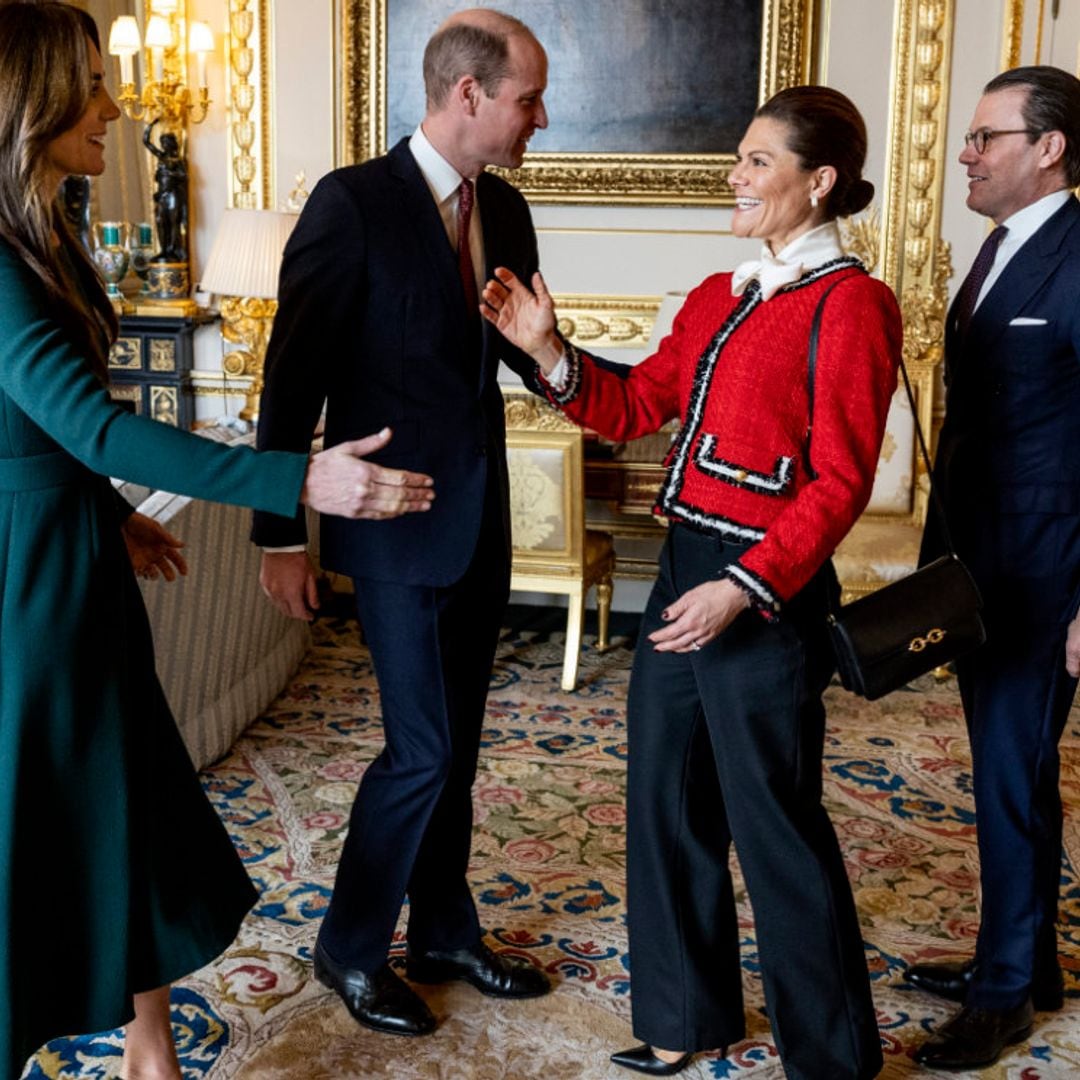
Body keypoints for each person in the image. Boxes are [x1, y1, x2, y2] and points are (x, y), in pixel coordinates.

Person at [0, 4, 435, 1077]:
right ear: (33, 101)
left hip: (78, 561)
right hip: (26, 592)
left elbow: (42, 434)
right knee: (35, 828)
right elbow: (93, 425)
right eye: (90, 84)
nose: (113, 106)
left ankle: (152, 1053)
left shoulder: (43, 229)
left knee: (125, 805)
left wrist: (111, 516)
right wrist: (301, 475)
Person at [482, 86, 901, 1078]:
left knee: (774, 825)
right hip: (683, 569)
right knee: (664, 801)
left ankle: (833, 1056)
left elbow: (842, 480)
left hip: (766, 592)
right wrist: (548, 350)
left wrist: (744, 588)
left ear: (821, 182)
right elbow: (636, 406)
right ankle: (685, 1015)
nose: (736, 176)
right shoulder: (722, 294)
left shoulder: (854, 307)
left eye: (759, 161)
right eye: (740, 157)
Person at [253, 7, 552, 1037]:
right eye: (527, 98)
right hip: (388, 526)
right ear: (468, 94)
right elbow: (289, 376)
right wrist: (278, 532)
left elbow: (524, 351)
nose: (539, 118)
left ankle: (443, 929)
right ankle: (348, 946)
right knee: (420, 748)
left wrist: (573, 367)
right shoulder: (352, 205)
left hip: (481, 523)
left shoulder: (504, 211)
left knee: (458, 746)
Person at [905, 65, 1080, 1070]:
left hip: (1048, 572)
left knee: (1012, 777)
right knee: (1005, 771)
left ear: (1048, 147)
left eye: (985, 137)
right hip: (983, 565)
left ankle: (1007, 993)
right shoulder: (1000, 250)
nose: (965, 154)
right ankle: (1026, 963)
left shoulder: (1078, 255)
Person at [143, 119, 188, 263]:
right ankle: (164, 250)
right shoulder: (161, 156)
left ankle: (173, 251)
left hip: (173, 194)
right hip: (162, 194)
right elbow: (146, 142)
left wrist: (168, 174)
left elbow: (184, 176)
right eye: (162, 143)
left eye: (165, 143)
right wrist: (151, 124)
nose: (163, 145)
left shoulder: (176, 160)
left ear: (171, 144)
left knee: (174, 222)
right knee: (160, 220)